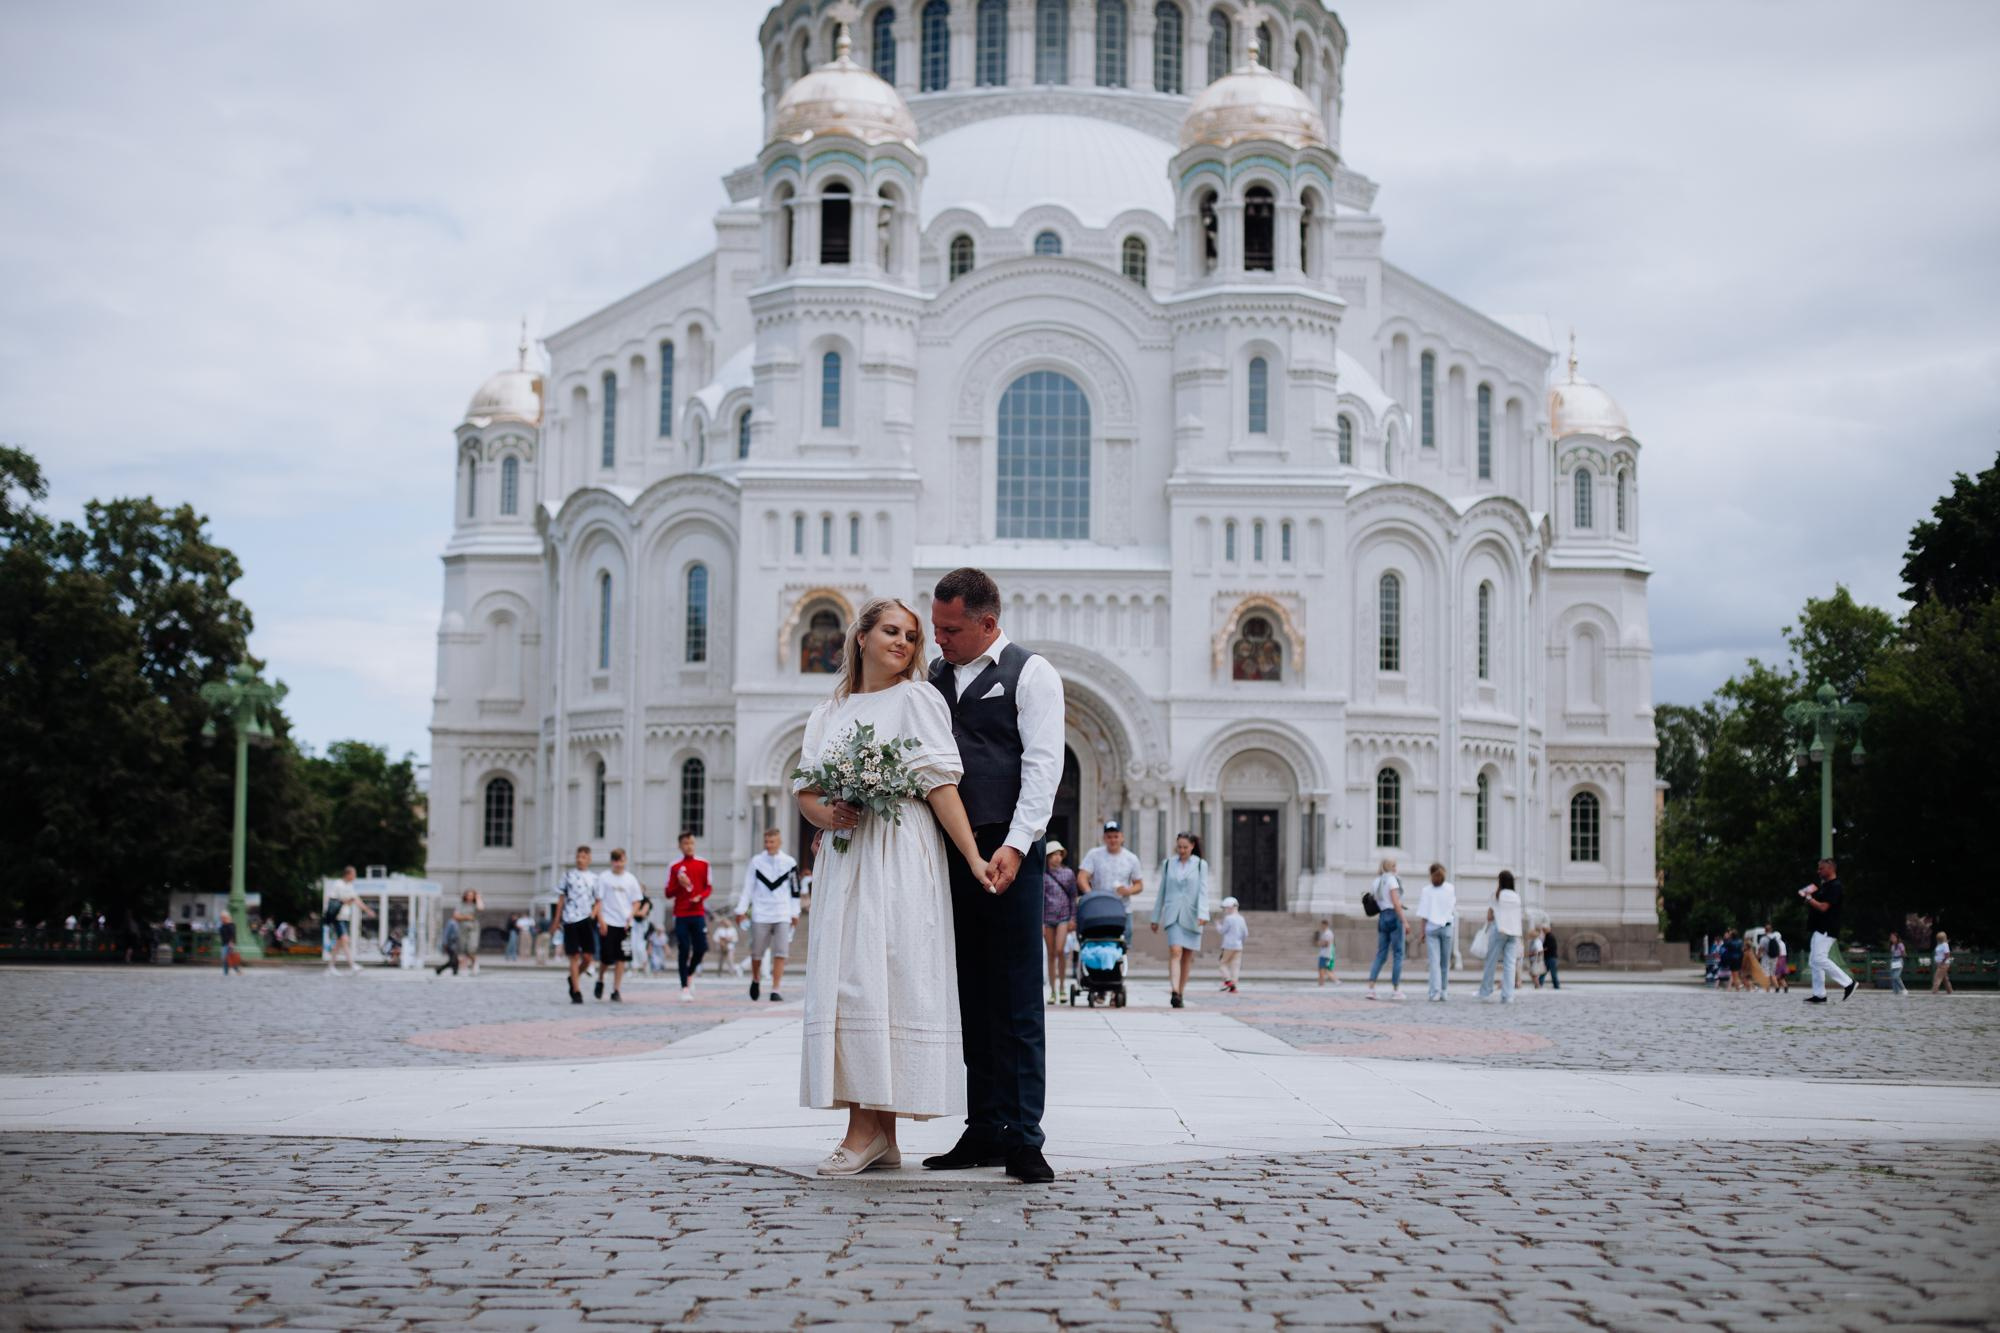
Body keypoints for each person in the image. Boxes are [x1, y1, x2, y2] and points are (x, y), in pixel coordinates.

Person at [793, 595, 992, 1178]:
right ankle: (877, 1134)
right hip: (846, 857)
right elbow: (806, 789)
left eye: (910, 635)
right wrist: (824, 815)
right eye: (890, 631)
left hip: (899, 853)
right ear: (861, 637)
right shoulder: (827, 712)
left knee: (881, 977)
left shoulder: (918, 698)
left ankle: (868, 1131)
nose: (903, 643)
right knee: (847, 979)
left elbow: (940, 785)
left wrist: (974, 857)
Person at [921, 568, 1065, 1184]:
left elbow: (1043, 766)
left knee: (1017, 1000)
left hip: (1008, 855)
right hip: (949, 855)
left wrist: (1015, 844)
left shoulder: (1032, 674)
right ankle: (983, 1128)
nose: (940, 641)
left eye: (951, 630)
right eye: (936, 629)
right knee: (972, 996)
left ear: (987, 623)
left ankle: (1025, 1136)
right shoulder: (933, 679)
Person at [736, 827, 802, 1003]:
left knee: (781, 953)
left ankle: (775, 988)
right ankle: (756, 978)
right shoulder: (756, 862)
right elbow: (748, 888)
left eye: (772, 841)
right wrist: (741, 910)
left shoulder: (789, 862)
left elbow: (795, 890)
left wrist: (795, 912)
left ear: (779, 842)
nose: (769, 845)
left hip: (782, 912)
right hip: (761, 913)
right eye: (766, 841)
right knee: (757, 953)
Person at [1151, 833, 1210, 1007]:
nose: (1182, 850)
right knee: (1175, 951)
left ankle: (1181, 992)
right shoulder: (1168, 864)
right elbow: (1162, 890)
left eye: (1185, 847)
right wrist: (1155, 917)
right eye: (1179, 847)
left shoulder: (1200, 865)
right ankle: (1174, 990)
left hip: (1192, 914)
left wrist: (1203, 914)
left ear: (1192, 846)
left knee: (1187, 956)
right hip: (1173, 914)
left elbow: (1203, 890)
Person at [1077, 822, 1143, 947]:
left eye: (1115, 836)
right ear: (1104, 838)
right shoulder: (1094, 854)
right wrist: (1090, 895)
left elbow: (1139, 884)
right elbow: (1082, 877)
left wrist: (1128, 890)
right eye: (1109, 836)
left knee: (1122, 944)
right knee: (1096, 941)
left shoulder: (1131, 858)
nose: (1113, 840)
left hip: (1122, 908)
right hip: (1098, 907)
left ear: (1122, 837)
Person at [1800, 857, 1855, 1004]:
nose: (1818, 871)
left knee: (1819, 958)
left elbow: (1824, 907)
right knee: (1814, 961)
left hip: (1827, 928)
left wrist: (1809, 899)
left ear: (1831, 868)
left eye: (1821, 868)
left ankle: (1848, 983)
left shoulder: (1835, 886)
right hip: (1819, 928)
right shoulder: (1825, 886)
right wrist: (1810, 896)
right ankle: (1819, 995)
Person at [667, 832, 713, 1003]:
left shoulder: (704, 864)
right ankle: (684, 986)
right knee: (684, 948)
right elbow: (668, 892)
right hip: (681, 913)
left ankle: (690, 972)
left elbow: (708, 887)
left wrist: (700, 897)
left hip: (698, 912)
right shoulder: (674, 866)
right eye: (685, 843)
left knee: (701, 947)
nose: (689, 846)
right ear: (680, 846)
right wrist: (679, 884)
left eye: (691, 843)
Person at [595, 848, 643, 1002]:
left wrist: (631, 915)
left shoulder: (630, 879)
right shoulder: (604, 878)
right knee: (606, 957)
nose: (618, 863)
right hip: (608, 921)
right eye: (615, 860)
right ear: (611, 861)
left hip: (624, 923)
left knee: (621, 957)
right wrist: (601, 920)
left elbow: (636, 901)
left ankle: (616, 989)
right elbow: (599, 901)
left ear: (625, 860)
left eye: (620, 859)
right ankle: (600, 979)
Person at [555, 845, 600, 1005]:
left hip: (586, 920)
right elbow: (561, 900)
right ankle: (576, 991)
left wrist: (595, 916)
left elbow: (598, 901)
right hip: (570, 920)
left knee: (588, 957)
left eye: (583, 856)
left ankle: (573, 978)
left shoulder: (594, 878)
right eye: (578, 856)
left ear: (589, 859)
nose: (580, 859)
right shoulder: (568, 876)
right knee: (573, 956)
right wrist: (556, 921)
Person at [1477, 871, 1524, 1003]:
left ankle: (1485, 991)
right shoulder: (1517, 896)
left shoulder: (1497, 895)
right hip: (1514, 932)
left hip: (1499, 930)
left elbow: (1490, 917)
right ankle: (1508, 995)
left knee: (1491, 962)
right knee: (1510, 964)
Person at [1413, 863, 1458, 1002]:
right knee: (1445, 962)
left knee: (1434, 963)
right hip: (1447, 927)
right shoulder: (1450, 888)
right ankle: (1444, 990)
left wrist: (1421, 932)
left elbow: (1424, 914)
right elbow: (1452, 908)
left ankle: (1435, 991)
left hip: (1432, 928)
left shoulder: (1426, 890)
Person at [1041, 841, 1078, 1003]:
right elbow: (1040, 899)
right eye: (1053, 855)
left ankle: (1063, 986)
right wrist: (1040, 922)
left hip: (1063, 916)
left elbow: (1073, 897)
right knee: (1050, 954)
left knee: (1060, 950)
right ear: (1048, 857)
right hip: (1048, 918)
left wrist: (1073, 918)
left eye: (1058, 854)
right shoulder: (1043, 875)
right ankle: (1053, 990)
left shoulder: (1068, 874)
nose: (1056, 858)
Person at [1365, 859, 1407, 1001]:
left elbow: (1377, 900)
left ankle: (1371, 988)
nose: (1396, 868)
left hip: (1382, 916)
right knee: (1398, 954)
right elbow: (1395, 902)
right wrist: (1405, 921)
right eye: (1395, 865)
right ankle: (1396, 989)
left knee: (1381, 954)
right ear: (1390, 867)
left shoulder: (1376, 881)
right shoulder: (1392, 880)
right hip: (1394, 916)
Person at [1215, 896, 1248, 994]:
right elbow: (1245, 933)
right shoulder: (1241, 919)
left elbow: (1222, 931)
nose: (1225, 910)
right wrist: (1241, 941)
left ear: (1230, 908)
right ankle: (1234, 985)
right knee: (1235, 966)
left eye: (1225, 908)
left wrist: (1217, 924)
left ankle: (1228, 980)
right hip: (1238, 946)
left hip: (1228, 945)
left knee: (1222, 964)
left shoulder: (1228, 918)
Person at [453, 889, 484, 975]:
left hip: (473, 929)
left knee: (471, 948)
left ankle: (475, 962)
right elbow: (455, 916)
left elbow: (481, 908)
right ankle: (464, 967)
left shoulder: (475, 905)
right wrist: (467, 917)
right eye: (468, 895)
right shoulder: (460, 905)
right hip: (462, 928)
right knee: (463, 949)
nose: (470, 896)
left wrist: (478, 897)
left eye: (472, 895)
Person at [1766, 925, 1788, 992]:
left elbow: (1779, 953)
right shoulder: (1783, 943)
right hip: (1784, 959)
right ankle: (1785, 987)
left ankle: (1777, 987)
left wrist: (1777, 961)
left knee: (1775, 975)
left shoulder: (1777, 943)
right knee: (1781, 976)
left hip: (1779, 959)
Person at [218, 911, 239, 976]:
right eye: (221, 917)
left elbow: (233, 934)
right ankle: (232, 971)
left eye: (223, 917)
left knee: (227, 958)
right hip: (224, 944)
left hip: (228, 944)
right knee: (227, 958)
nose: (221, 919)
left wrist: (231, 943)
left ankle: (227, 972)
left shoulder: (231, 925)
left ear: (226, 917)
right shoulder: (223, 925)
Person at [1316, 919, 1336, 987]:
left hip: (1325, 954)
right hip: (1325, 953)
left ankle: (1322, 983)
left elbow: (1326, 943)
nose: (1321, 926)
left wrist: (1320, 943)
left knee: (1322, 969)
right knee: (1324, 969)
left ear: (1325, 925)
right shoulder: (1326, 932)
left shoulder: (1328, 933)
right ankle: (1321, 983)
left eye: (1322, 925)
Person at [1888, 932, 1907, 996]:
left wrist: (1902, 953)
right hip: (1893, 960)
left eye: (1893, 937)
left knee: (1896, 976)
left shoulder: (1900, 944)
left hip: (1899, 960)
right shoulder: (1892, 946)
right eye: (1891, 938)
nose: (1892, 939)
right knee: (1893, 977)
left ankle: (1903, 989)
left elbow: (1904, 953)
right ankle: (1895, 991)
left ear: (1897, 938)